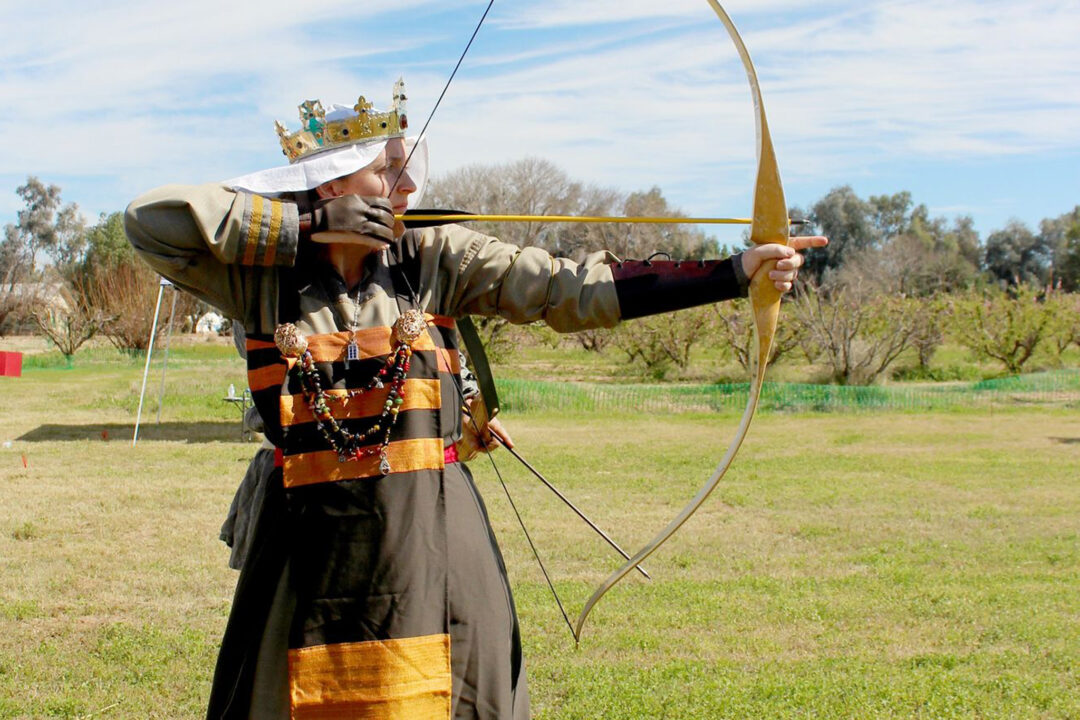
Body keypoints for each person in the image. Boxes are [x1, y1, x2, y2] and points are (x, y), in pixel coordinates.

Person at [125, 80, 824, 720]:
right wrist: (304, 227)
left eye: (403, 172)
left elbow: (565, 288)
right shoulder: (259, 276)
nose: (402, 187)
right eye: (384, 171)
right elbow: (146, 221)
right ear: (334, 184)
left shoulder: (433, 257)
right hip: (308, 548)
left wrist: (733, 273)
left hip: (434, 538)